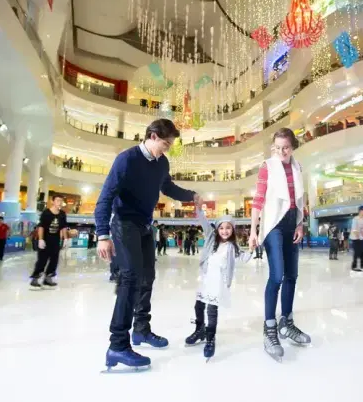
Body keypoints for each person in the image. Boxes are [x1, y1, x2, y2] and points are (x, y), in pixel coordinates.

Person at [95, 118, 202, 370]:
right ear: (152, 136)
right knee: (130, 278)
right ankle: (117, 345)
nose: (167, 148)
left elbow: (167, 187)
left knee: (148, 278)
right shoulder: (127, 159)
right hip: (124, 223)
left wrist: (191, 196)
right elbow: (105, 197)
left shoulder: (161, 162)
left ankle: (141, 329)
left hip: (144, 225)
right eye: (165, 143)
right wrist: (102, 234)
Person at [249, 128, 310, 361]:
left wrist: (300, 224)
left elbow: (300, 200)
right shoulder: (268, 166)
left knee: (292, 276)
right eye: (278, 148)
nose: (282, 152)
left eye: (286, 147)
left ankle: (287, 322)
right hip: (273, 224)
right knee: (277, 275)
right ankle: (270, 327)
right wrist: (254, 231)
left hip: (292, 223)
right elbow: (258, 199)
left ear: (292, 147)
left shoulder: (298, 167)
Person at [184, 209, 252, 360]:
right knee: (198, 306)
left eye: (228, 228)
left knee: (211, 310)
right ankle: (200, 330)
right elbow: (203, 221)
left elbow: (244, 257)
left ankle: (210, 339)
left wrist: (254, 245)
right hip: (206, 280)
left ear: (233, 230)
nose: (225, 231)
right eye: (221, 228)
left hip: (218, 283)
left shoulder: (232, 246)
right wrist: (198, 208)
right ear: (217, 229)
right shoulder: (211, 238)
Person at [29, 195, 67, 288]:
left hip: (55, 240)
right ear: (53, 201)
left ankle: (48, 278)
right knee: (42, 260)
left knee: (54, 260)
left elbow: (63, 227)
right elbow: (41, 227)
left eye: (61, 201)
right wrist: (41, 239)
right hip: (46, 239)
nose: (60, 202)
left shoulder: (62, 214)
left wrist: (65, 238)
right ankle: (35, 278)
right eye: (58, 200)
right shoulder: (46, 213)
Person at [350, 206, 363, 272]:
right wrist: (358, 237)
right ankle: (354, 266)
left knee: (362, 252)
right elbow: (354, 229)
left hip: (361, 238)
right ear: (361, 211)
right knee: (356, 252)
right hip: (355, 238)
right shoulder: (355, 219)